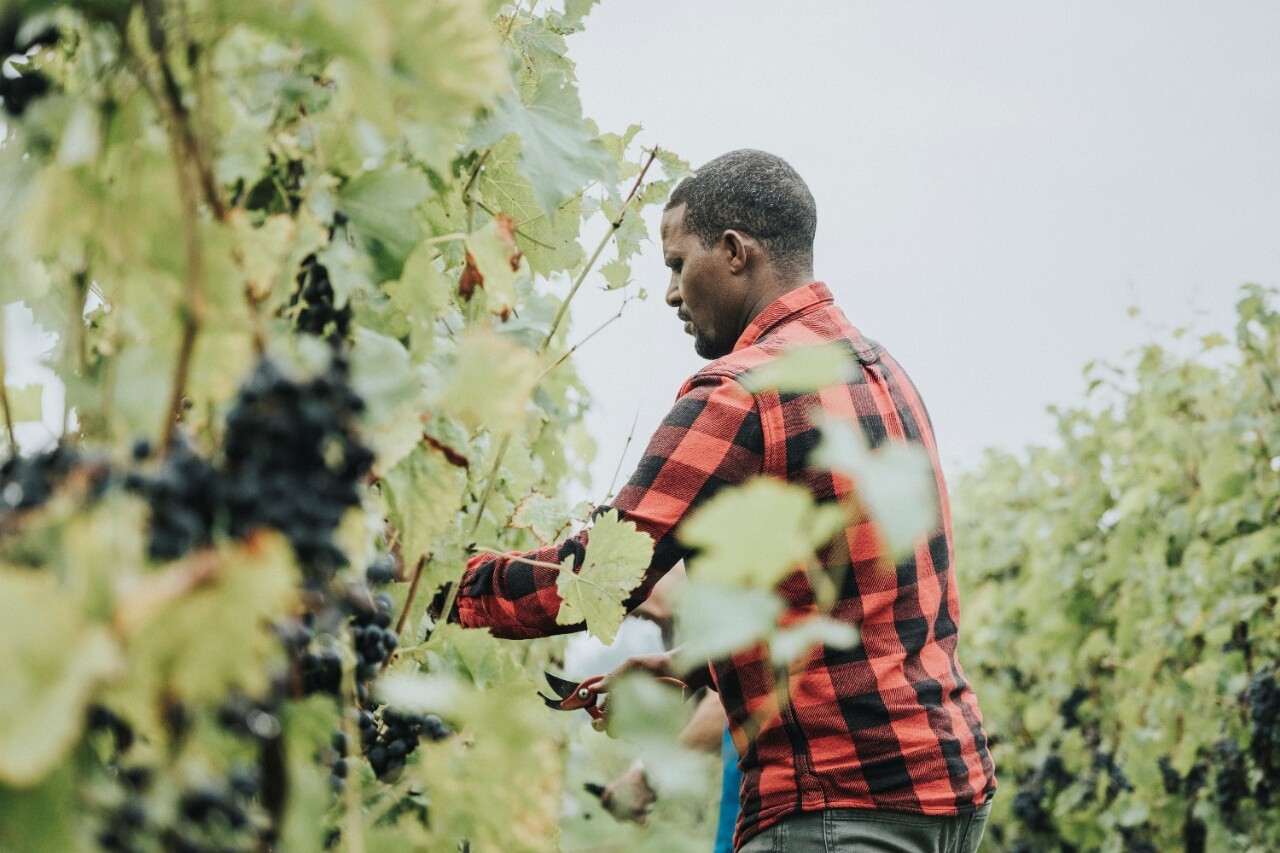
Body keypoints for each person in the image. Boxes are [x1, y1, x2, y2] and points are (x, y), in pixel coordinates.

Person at [442, 149, 996, 852]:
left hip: (839, 807)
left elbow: (597, 576)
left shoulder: (740, 393)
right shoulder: (880, 370)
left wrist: (440, 584)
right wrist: (685, 666)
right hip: (949, 791)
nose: (671, 293)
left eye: (677, 265)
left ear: (734, 253)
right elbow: (855, 600)